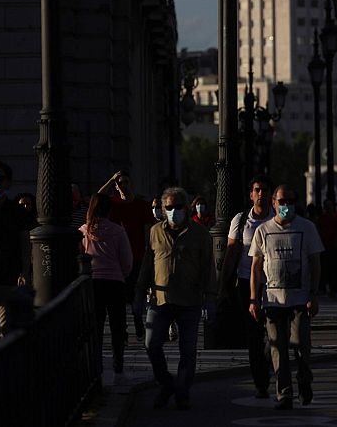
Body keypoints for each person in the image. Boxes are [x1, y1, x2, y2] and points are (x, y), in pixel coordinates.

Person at [136, 187, 217, 410]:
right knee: (151, 344)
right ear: (163, 209)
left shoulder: (200, 234)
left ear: (187, 207)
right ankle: (166, 383)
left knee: (188, 350)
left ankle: (182, 391)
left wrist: (210, 299)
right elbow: (146, 265)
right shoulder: (154, 232)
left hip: (189, 300)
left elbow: (208, 268)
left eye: (177, 207)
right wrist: (138, 296)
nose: (173, 211)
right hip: (160, 300)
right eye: (169, 207)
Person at [248, 185, 324, 410]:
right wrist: (253, 299)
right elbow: (255, 267)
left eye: (290, 201)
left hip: (300, 299)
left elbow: (315, 263)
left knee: (301, 343)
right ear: (274, 203)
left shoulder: (307, 228)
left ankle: (304, 380)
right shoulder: (263, 230)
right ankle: (285, 394)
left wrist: (314, 293)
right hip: (272, 301)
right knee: (277, 349)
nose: (286, 206)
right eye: (282, 202)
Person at [222, 175, 275, 399]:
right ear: (251, 194)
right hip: (246, 282)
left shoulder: (278, 219)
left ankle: (267, 365)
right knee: (253, 334)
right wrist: (223, 283)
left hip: (273, 284)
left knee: (275, 333)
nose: (260, 194)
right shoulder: (241, 220)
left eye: (264, 190)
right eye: (257, 190)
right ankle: (260, 381)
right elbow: (232, 251)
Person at [99, 171, 155, 343]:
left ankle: (138, 321)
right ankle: (122, 331)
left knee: (137, 296)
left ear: (132, 184)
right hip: (117, 259)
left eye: (125, 182)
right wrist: (110, 179)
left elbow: (148, 231)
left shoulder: (142, 205)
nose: (122, 185)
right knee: (120, 297)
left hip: (138, 256)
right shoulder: (113, 203)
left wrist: (148, 253)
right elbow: (98, 197)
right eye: (119, 183)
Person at [80, 193, 133, 374]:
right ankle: (118, 362)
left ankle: (96, 362)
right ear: (109, 209)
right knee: (117, 326)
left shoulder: (85, 231)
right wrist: (122, 274)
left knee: (97, 325)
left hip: (94, 283)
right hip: (115, 283)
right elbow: (127, 260)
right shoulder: (118, 231)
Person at [0, 160, 30, 340]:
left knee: (5, 324)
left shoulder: (16, 211)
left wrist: (24, 270)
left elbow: (24, 243)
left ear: (8, 182)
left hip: (7, 274)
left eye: (0, 179)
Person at [316, 199, 337, 300]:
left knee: (333, 268)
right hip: (325, 245)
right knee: (325, 267)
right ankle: (325, 288)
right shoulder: (322, 218)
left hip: (333, 246)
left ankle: (333, 289)